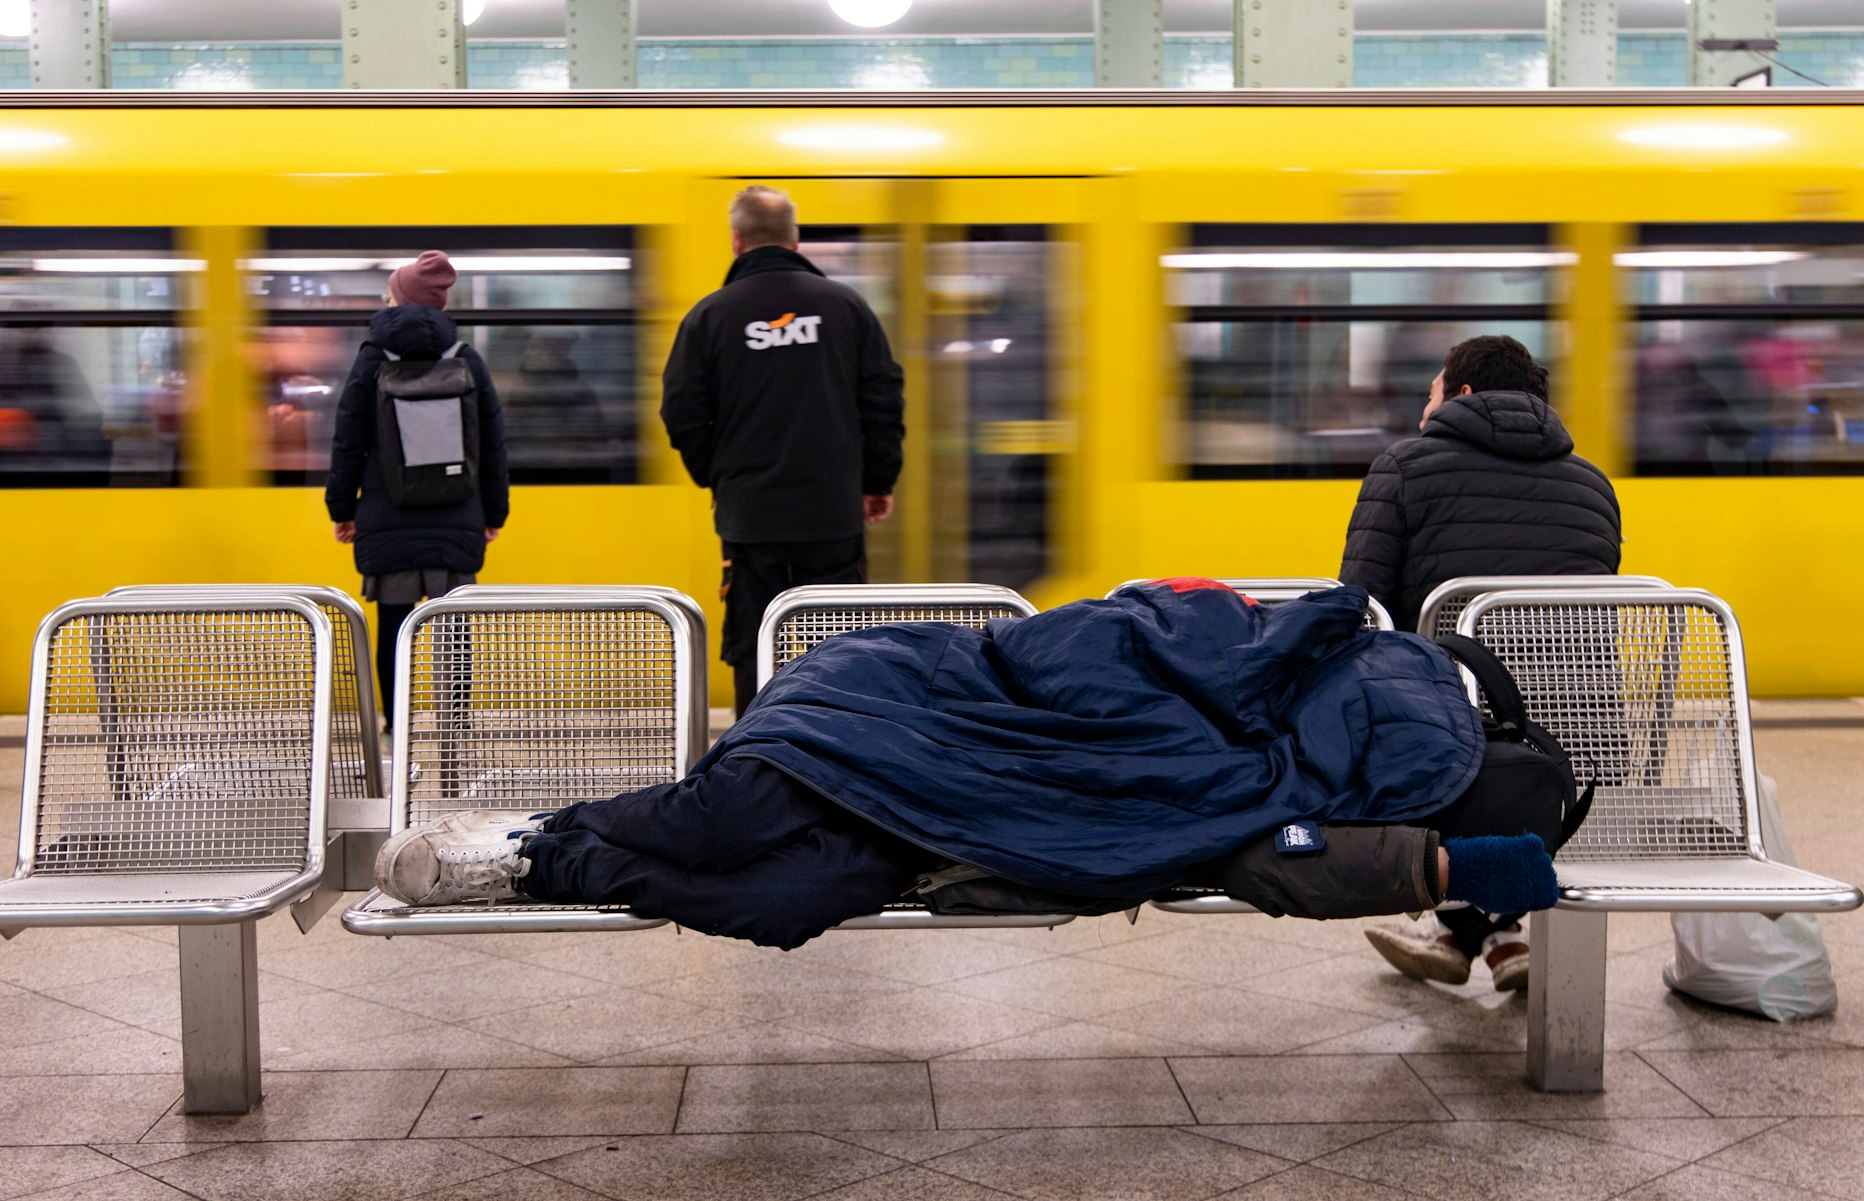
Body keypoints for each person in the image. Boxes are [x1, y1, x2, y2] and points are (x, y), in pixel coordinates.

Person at [374, 581, 1567, 951]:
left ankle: (550, 859)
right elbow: (1100, 640)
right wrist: (1464, 856)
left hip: (964, 814)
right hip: (899, 696)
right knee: (720, 817)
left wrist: (1451, 860)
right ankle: (527, 835)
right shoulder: (1302, 642)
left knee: (780, 901)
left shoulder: (1318, 779)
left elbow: (1279, 861)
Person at [1339, 334, 1621, 992]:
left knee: (1420, 730)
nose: (1423, 407)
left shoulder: (1403, 466)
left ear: (1463, 395)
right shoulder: (1594, 486)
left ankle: (1466, 928)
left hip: (1451, 752)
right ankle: (1493, 936)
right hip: (1576, 756)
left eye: (1431, 392)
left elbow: (1362, 610)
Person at [661, 185, 906, 716]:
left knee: (755, 640)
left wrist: (721, 476)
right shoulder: (846, 307)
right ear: (795, 239)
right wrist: (877, 482)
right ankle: (839, 743)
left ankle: (759, 755)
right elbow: (883, 399)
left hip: (751, 518)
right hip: (833, 512)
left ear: (736, 241)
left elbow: (680, 412)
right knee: (841, 638)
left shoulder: (711, 316)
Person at [325, 250, 510, 730]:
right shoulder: (466, 358)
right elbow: (492, 443)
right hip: (458, 510)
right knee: (453, 623)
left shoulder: (371, 359)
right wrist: (495, 512)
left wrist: (342, 509)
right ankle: (455, 719)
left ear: (397, 296)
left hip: (387, 515)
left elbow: (348, 440)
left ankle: (397, 722)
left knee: (392, 623)